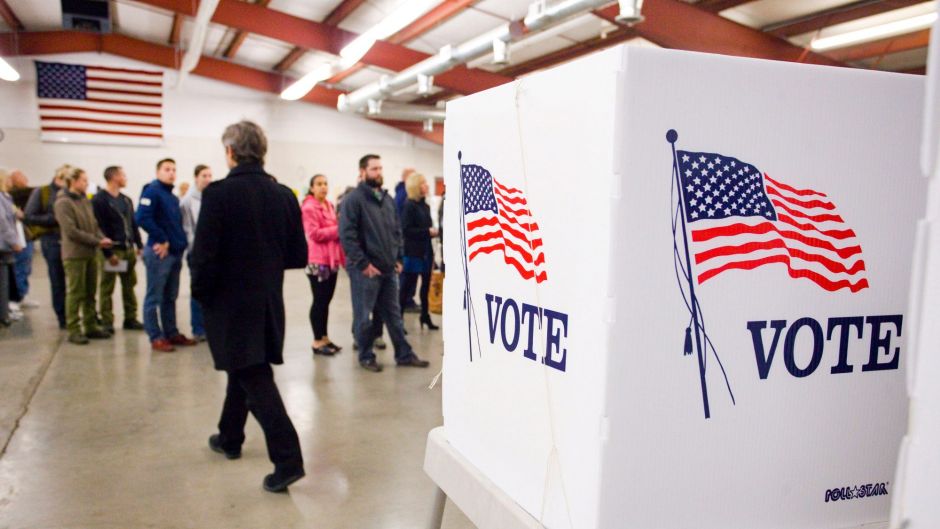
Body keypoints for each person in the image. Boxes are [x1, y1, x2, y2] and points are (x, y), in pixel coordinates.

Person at [191, 120, 307, 493]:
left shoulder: (218, 194)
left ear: (229, 152)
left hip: (229, 303)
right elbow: (297, 255)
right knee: (243, 368)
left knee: (253, 375)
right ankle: (229, 437)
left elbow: (203, 257)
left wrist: (201, 294)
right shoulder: (284, 194)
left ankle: (288, 460)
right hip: (268, 301)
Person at [339, 154, 430, 372]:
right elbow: (347, 235)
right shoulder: (353, 200)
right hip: (366, 270)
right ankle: (366, 356)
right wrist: (363, 264)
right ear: (362, 172)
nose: (379, 173)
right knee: (364, 317)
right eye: (374, 169)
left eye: (380, 168)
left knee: (394, 315)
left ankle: (404, 354)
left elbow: (397, 231)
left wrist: (398, 257)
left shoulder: (387, 199)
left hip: (389, 268)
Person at [136, 158, 197, 352]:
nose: (171, 173)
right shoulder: (152, 191)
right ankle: (155, 336)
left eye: (173, 170)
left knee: (170, 296)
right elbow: (142, 218)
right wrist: (161, 239)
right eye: (166, 169)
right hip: (160, 254)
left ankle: (171, 332)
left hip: (175, 254)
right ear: (158, 172)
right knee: (154, 296)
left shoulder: (171, 196)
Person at [54, 168, 114, 345]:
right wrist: (97, 241)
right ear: (73, 181)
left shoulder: (84, 200)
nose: (86, 184)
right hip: (74, 255)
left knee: (90, 292)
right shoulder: (63, 203)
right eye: (83, 180)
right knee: (75, 292)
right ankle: (73, 328)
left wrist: (102, 238)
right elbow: (71, 231)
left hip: (90, 253)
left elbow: (94, 225)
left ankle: (90, 325)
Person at [92, 166, 144, 333]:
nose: (125, 178)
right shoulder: (99, 200)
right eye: (123, 175)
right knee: (107, 287)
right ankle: (107, 321)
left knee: (129, 285)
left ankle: (131, 318)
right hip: (113, 251)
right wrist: (108, 254)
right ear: (114, 177)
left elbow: (133, 224)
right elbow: (99, 227)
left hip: (127, 250)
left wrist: (139, 245)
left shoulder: (126, 200)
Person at [301, 174, 345, 356]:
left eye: (325, 183)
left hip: (331, 261)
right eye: (319, 184)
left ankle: (325, 337)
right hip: (317, 262)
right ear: (312, 188)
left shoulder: (329, 205)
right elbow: (314, 234)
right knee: (319, 301)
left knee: (326, 301)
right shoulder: (309, 207)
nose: (323, 187)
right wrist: (338, 229)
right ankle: (317, 341)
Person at [24, 164, 70, 329]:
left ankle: (74, 314)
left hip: (71, 241)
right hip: (51, 240)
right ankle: (62, 316)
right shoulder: (42, 192)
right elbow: (29, 216)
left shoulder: (71, 194)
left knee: (75, 281)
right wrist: (55, 218)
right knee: (57, 279)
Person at [399, 173, 439, 330]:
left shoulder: (425, 205)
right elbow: (406, 230)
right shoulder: (408, 205)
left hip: (426, 252)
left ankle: (425, 316)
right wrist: (427, 232)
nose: (427, 186)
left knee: (426, 287)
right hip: (413, 252)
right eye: (423, 183)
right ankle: (399, 320)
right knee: (407, 287)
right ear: (416, 186)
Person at [180, 164, 212, 342]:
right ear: (196, 177)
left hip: (211, 253)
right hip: (196, 253)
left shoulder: (212, 198)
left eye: (209, 175)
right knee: (197, 290)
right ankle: (198, 328)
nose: (207, 179)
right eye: (204, 176)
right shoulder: (187, 200)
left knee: (211, 291)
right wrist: (197, 249)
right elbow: (187, 228)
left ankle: (209, 326)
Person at [9, 170, 37, 309]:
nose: (25, 179)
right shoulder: (12, 195)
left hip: (26, 235)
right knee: (19, 267)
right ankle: (17, 296)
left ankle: (23, 293)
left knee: (26, 267)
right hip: (17, 237)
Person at [0, 170, 24, 326]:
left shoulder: (6, 198)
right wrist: (14, 241)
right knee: (3, 283)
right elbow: (2, 223)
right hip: (3, 246)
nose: (10, 181)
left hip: (5, 245)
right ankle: (4, 315)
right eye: (7, 178)